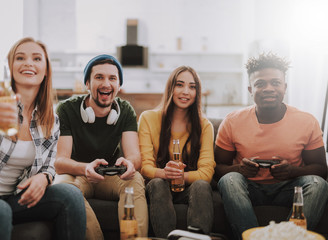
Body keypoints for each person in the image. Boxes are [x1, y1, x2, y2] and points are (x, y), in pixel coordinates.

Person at [0, 37, 86, 240]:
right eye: (20, 58)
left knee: (71, 195)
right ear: (11, 67)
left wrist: (44, 177)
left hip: (12, 200)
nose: (28, 63)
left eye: (37, 58)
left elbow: (49, 166)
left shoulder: (50, 120)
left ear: (46, 69)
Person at [215, 52, 328, 240]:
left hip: (289, 189)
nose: (269, 88)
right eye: (260, 84)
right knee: (230, 180)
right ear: (250, 89)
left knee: (318, 185)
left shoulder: (307, 121)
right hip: (249, 189)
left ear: (285, 87)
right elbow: (218, 168)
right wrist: (240, 169)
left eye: (275, 83)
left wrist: (292, 171)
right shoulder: (232, 121)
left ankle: (287, 237)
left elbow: (321, 169)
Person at [54, 54, 148, 239]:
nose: (106, 83)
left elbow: (134, 156)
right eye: (99, 77)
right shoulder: (66, 109)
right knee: (63, 187)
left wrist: (130, 164)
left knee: (135, 179)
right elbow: (59, 162)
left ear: (119, 85)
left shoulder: (125, 110)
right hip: (77, 173)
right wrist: (85, 167)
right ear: (87, 84)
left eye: (112, 78)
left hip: (110, 175)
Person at [138, 66, 216, 238]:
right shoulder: (148, 118)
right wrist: (165, 173)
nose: (185, 92)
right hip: (159, 187)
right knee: (158, 184)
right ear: (170, 88)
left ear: (197, 92)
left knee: (202, 185)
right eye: (179, 85)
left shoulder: (205, 126)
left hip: (189, 189)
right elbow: (145, 167)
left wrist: (181, 176)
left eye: (192, 87)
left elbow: (207, 173)